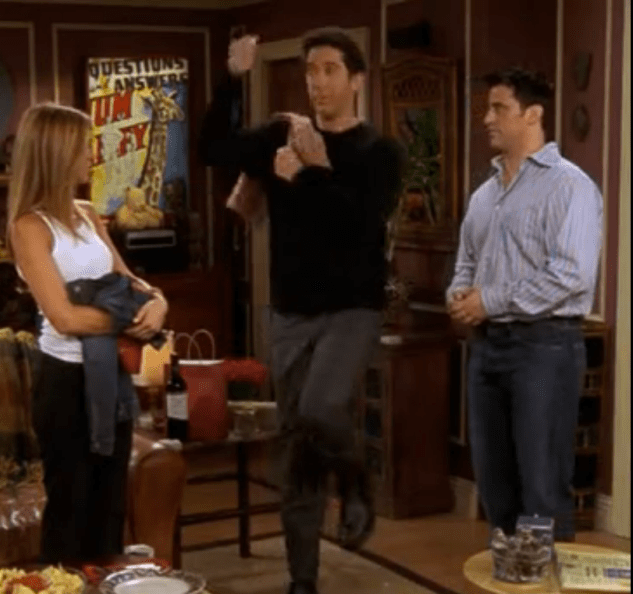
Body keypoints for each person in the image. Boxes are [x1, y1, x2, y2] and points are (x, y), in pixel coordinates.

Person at [200, 28, 406, 594]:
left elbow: (360, 229)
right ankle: (303, 579)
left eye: (330, 70)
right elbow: (213, 150)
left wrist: (313, 172)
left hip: (352, 310)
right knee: (297, 445)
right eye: (310, 71)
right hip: (290, 312)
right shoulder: (282, 135)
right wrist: (231, 79)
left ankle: (357, 483)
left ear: (356, 79)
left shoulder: (380, 153)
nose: (317, 82)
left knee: (321, 406)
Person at [446, 68, 603, 542]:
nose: (487, 119)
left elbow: (571, 274)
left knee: (541, 483)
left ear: (532, 114)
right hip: (486, 347)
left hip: (544, 347)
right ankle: (510, 572)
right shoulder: (485, 194)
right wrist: (459, 295)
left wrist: (489, 301)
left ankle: (544, 572)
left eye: (499, 108)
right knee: (495, 483)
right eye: (487, 108)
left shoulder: (570, 187)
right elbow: (467, 262)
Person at [7, 102, 169, 562]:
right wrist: (130, 321)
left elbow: (128, 281)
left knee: (109, 507)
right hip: (65, 383)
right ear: (56, 153)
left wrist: (158, 301)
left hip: (110, 377)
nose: (91, 155)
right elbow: (64, 318)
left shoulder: (87, 213)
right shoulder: (29, 227)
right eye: (83, 146)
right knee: (71, 508)